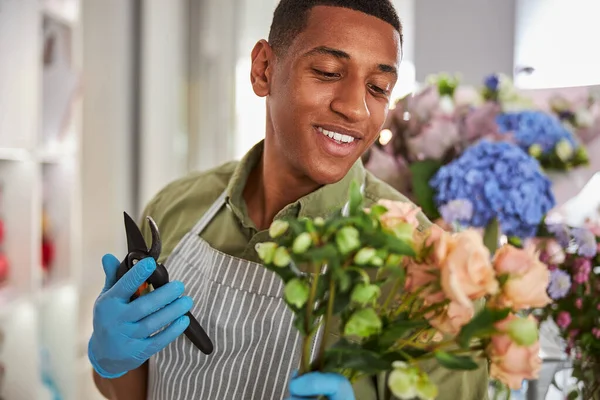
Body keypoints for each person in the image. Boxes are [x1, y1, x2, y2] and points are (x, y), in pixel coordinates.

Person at [88, 0, 490, 399]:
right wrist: (110, 361)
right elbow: (132, 392)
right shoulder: (176, 207)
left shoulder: (427, 267)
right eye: (328, 72)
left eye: (378, 88)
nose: (355, 107)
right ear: (264, 69)